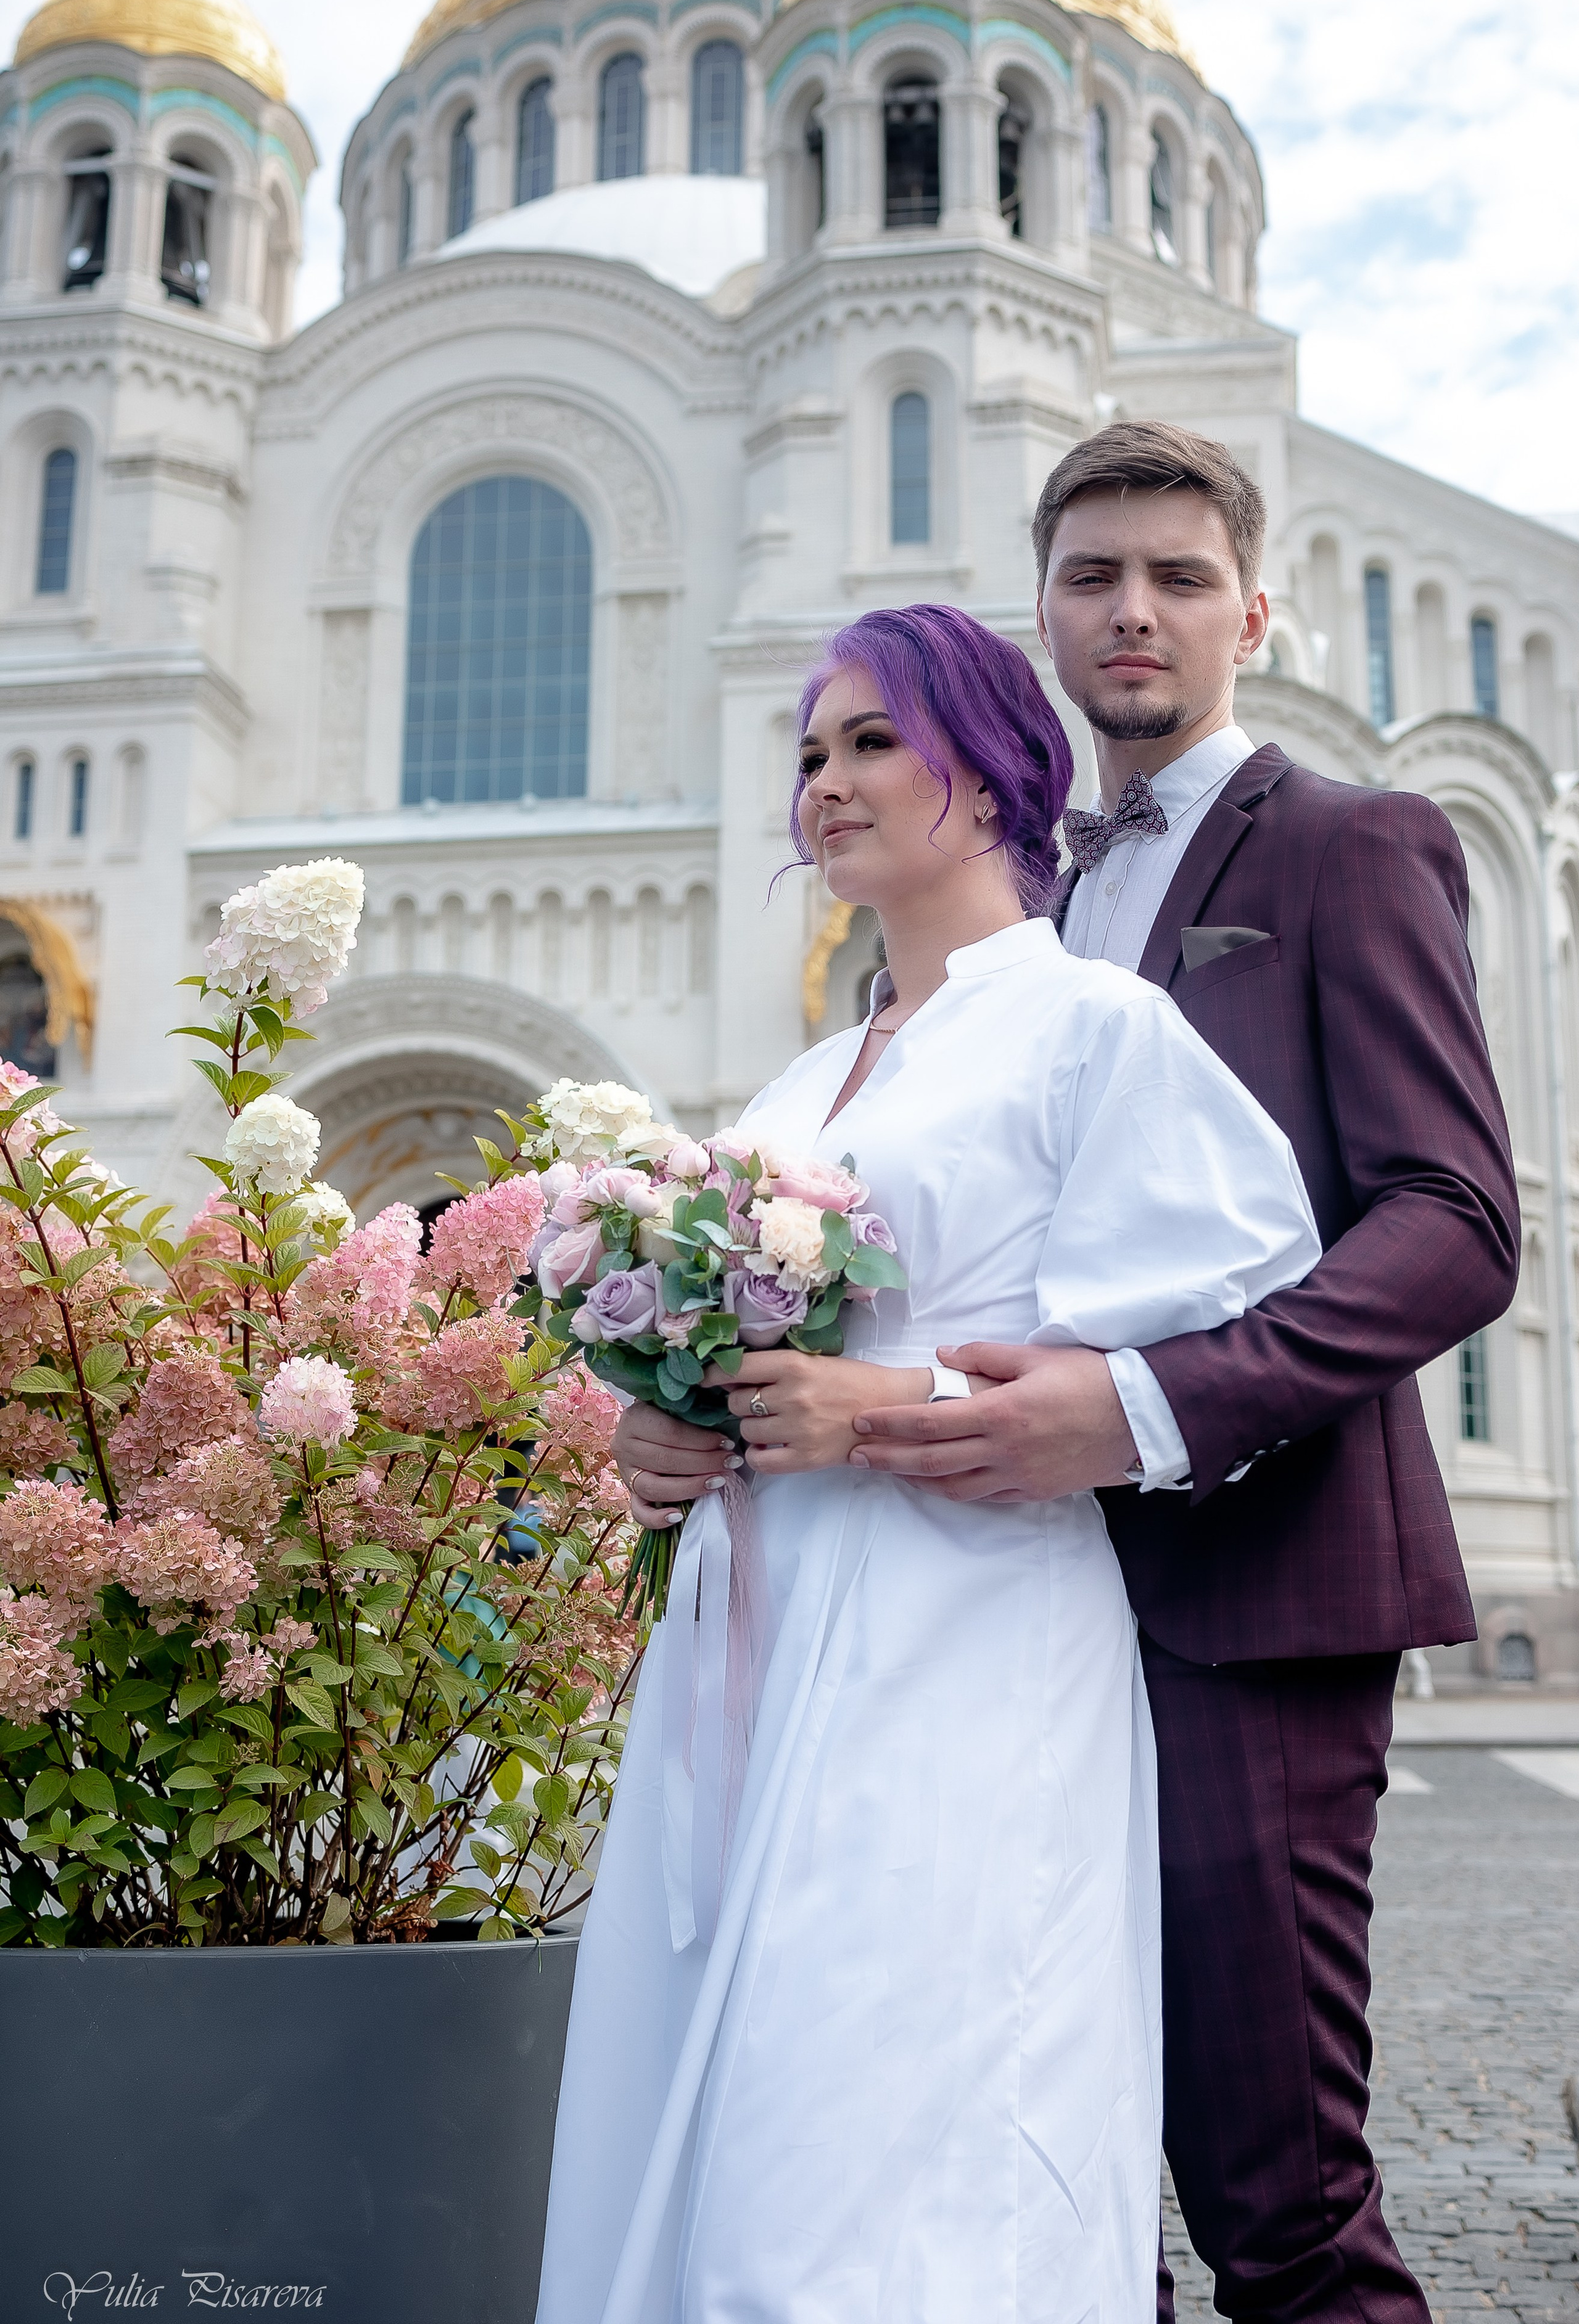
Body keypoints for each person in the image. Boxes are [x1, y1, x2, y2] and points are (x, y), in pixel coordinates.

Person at [541, 603, 1322, 2323]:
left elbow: (1231, 1318)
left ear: (996, 766)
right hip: (751, 1634)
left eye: (873, 740)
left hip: (961, 1629)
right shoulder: (806, 1079)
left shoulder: (1094, 1028)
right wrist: (662, 1433)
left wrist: (878, 1410)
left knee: (896, 2091)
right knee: (733, 2073)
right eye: (811, 751)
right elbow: (732, 1360)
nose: (825, 781)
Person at [824, 427, 1522, 2321]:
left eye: (1180, 578)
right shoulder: (1001, 909)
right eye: (1093, 577)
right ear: (1043, 616)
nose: (1134, 610)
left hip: (1255, 1591)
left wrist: (1143, 1411)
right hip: (997, 1611)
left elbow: (1453, 1222)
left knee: (1276, 2192)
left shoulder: (1354, 845)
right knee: (1045, 2176)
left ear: (1251, 616)